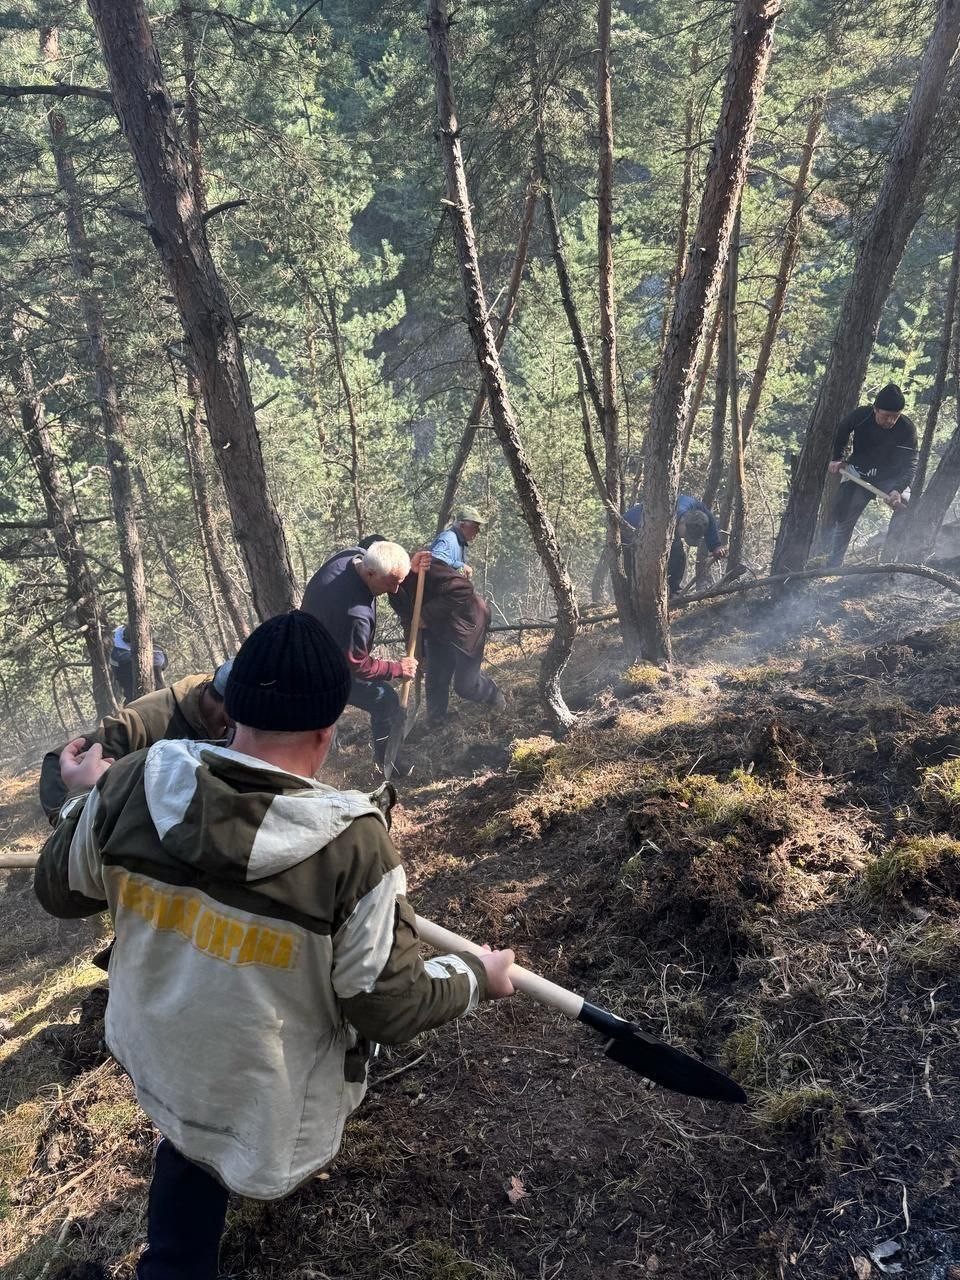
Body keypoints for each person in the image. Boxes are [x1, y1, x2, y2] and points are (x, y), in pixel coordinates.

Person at [33, 610, 515, 1279]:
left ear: (229, 708)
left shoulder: (134, 781)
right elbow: (387, 1005)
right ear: (326, 733)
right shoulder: (353, 845)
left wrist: (82, 802)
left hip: (164, 1057)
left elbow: (60, 890)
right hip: (265, 1091)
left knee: (192, 1146)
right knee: (223, 1124)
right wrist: (474, 976)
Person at [38, 661, 234, 823]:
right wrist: (71, 820)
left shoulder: (232, 720)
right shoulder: (143, 721)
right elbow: (56, 762)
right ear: (233, 704)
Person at [300, 540, 429, 772]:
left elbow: (375, 543)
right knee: (386, 701)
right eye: (391, 583)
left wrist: (410, 563)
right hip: (323, 671)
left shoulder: (353, 555)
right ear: (370, 573)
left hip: (311, 643)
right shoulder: (355, 615)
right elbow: (358, 665)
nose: (395, 590)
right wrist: (398, 669)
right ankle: (387, 763)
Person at [389, 554, 506, 725]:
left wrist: (426, 614)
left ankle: (492, 694)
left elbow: (463, 589)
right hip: (437, 630)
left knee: (465, 686)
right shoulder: (391, 588)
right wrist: (415, 653)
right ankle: (436, 721)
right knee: (435, 677)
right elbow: (409, 622)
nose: (389, 588)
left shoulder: (424, 566)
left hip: (465, 626)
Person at [824, 383, 918, 566]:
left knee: (906, 506)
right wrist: (838, 458)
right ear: (875, 409)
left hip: (890, 478)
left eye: (895, 416)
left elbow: (911, 463)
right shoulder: (861, 415)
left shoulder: (907, 428)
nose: (891, 421)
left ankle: (891, 562)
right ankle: (833, 565)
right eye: (886, 416)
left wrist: (898, 489)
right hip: (859, 473)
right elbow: (842, 431)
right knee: (845, 517)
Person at [623, 495, 727, 595]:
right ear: (682, 522)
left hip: (653, 525)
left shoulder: (695, 509)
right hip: (630, 528)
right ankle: (637, 594)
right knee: (642, 564)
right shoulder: (664, 522)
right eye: (685, 535)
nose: (684, 538)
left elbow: (709, 517)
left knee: (677, 555)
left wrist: (715, 546)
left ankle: (673, 591)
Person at [109, 624, 168, 703]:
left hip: (158, 699)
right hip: (137, 701)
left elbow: (162, 661)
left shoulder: (156, 653)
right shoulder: (120, 657)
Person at [430, 506, 484, 579]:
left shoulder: (461, 542)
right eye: (475, 526)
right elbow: (433, 558)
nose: (478, 531)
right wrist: (461, 565)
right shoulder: (449, 538)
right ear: (462, 525)